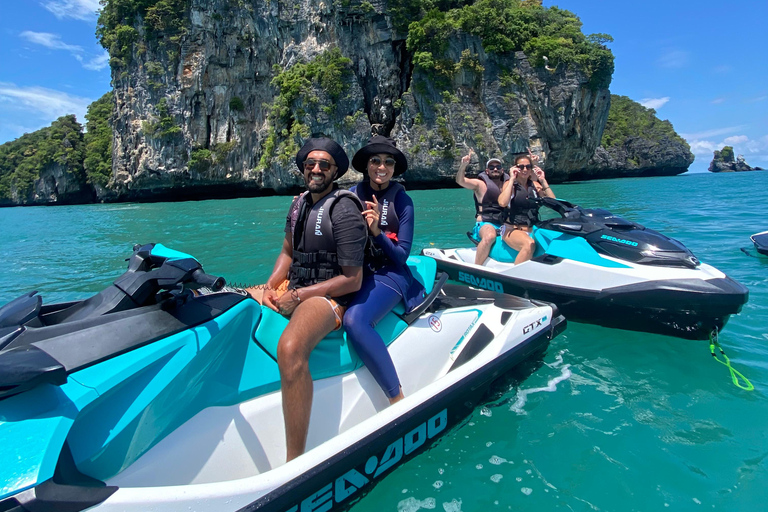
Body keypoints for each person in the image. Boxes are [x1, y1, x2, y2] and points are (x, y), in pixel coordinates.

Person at [245, 137, 368, 461]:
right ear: (302, 169)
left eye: (324, 164)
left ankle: (294, 460)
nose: (316, 169)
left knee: (290, 347)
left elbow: (352, 278)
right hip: (295, 285)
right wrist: (272, 286)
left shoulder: (343, 210)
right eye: (310, 164)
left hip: (329, 297)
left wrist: (298, 296)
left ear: (335, 171)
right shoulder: (299, 203)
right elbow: (287, 252)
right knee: (235, 299)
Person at [344, 135, 425, 404]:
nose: (382, 166)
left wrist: (377, 231)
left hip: (390, 272)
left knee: (355, 320)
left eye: (388, 162)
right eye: (375, 160)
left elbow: (402, 255)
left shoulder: (403, 202)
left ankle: (396, 397)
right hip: (356, 270)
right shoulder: (351, 196)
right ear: (366, 166)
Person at [498, 150, 555, 264]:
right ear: (516, 169)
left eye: (528, 167)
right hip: (512, 229)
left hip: (533, 229)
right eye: (521, 167)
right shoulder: (510, 185)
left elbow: (553, 202)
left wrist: (543, 181)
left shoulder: (535, 185)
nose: (525, 170)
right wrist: (512, 179)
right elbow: (502, 203)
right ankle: (514, 278)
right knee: (529, 244)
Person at [455, 148, 510, 265]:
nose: (495, 169)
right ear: (487, 171)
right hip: (486, 223)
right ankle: (477, 269)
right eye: (491, 167)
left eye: (498, 167)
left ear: (502, 170)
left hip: (504, 222)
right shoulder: (480, 184)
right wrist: (463, 166)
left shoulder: (508, 184)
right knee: (490, 236)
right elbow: (461, 181)